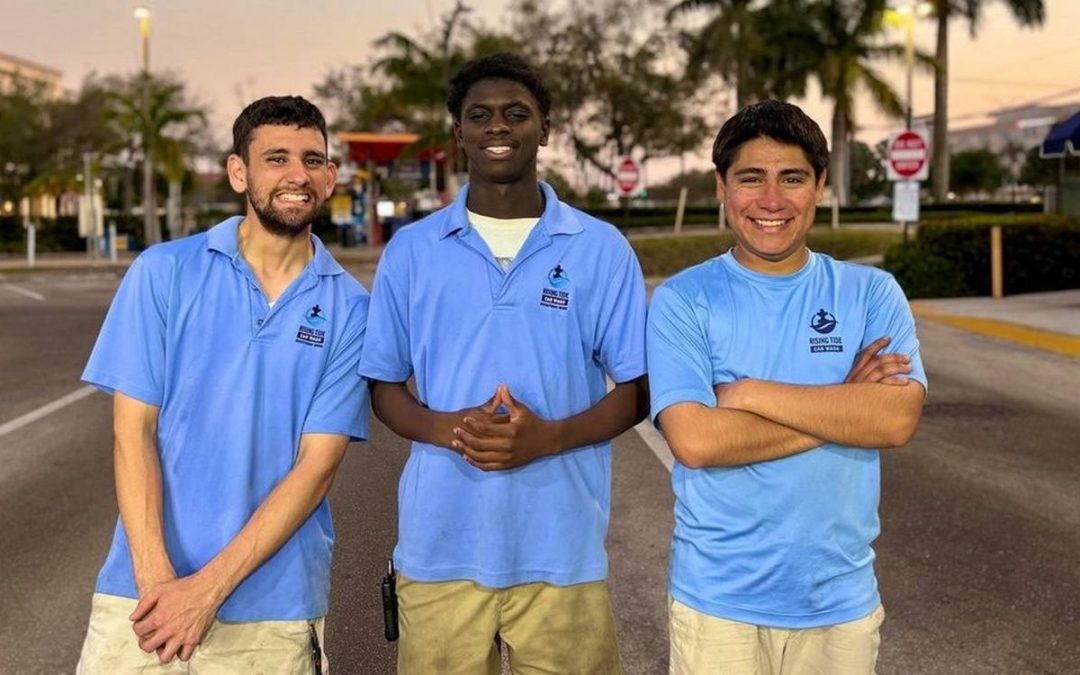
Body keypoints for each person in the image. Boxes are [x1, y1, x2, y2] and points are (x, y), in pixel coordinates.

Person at [359, 53, 648, 674]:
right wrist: (451, 428)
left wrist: (548, 438)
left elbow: (637, 387)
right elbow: (383, 383)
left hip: (563, 550)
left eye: (517, 114)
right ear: (457, 131)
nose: (498, 127)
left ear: (544, 129)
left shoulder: (601, 249)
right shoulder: (412, 252)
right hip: (440, 549)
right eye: (480, 115)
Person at [76, 95, 370, 674]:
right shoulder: (164, 272)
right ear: (240, 172)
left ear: (330, 177)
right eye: (276, 158)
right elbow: (132, 430)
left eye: (313, 160)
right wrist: (159, 580)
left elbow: (316, 468)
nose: (296, 176)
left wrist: (208, 589)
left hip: (274, 608)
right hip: (141, 593)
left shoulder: (352, 309)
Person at [646, 100, 927, 675]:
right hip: (717, 604)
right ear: (722, 186)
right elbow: (696, 441)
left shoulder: (870, 293)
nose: (771, 201)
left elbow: (894, 421)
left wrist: (747, 392)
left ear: (820, 185)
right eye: (751, 179)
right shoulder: (683, 299)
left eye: (792, 178)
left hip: (839, 602)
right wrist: (844, 402)